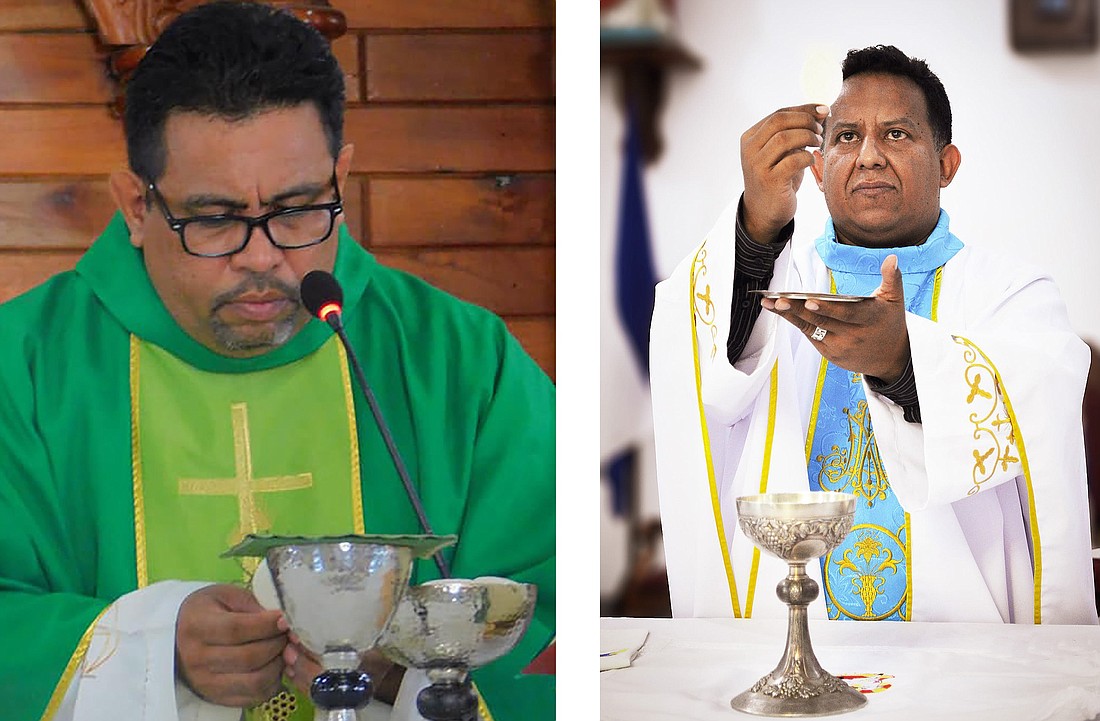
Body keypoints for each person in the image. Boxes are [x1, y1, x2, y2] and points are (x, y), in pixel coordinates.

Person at [0, 3, 555, 720]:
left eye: (297, 211)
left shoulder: (461, 360)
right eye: (214, 219)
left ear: (341, 179)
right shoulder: (22, 366)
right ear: (137, 205)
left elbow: (566, 618)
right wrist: (152, 646)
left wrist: (407, 669)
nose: (263, 259)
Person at [650, 44, 1097, 626]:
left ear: (947, 164)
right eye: (844, 137)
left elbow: (1041, 414)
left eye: (896, 135)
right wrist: (756, 229)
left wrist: (905, 364)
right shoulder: (779, 278)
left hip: (962, 639)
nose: (867, 156)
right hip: (782, 639)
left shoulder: (1010, 293)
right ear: (816, 168)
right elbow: (702, 363)